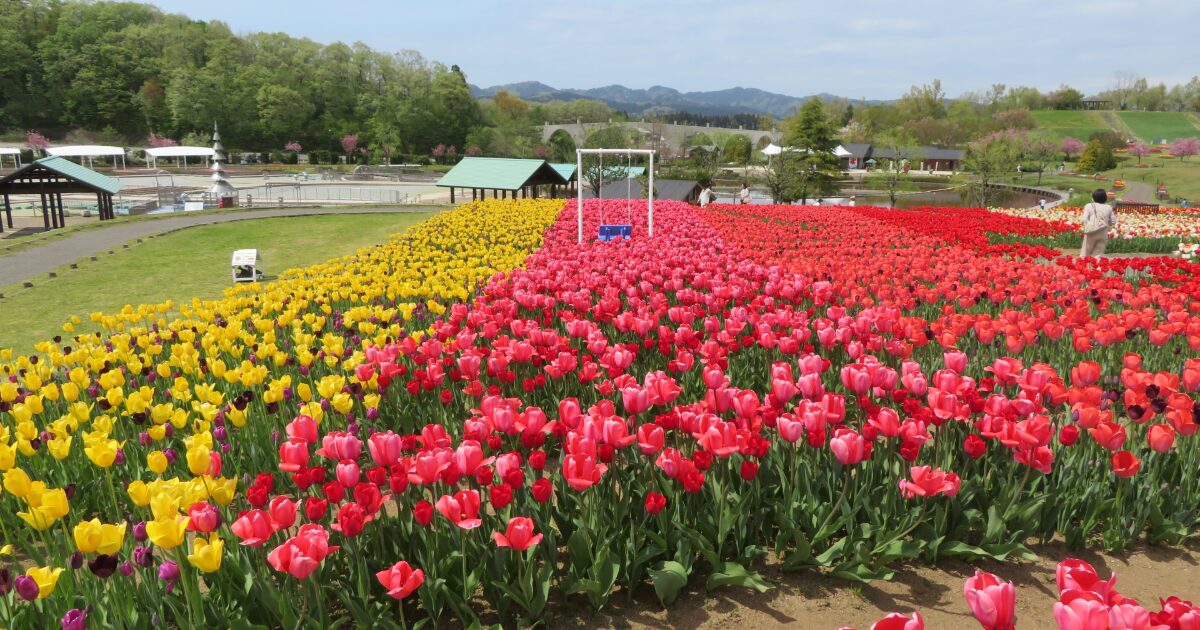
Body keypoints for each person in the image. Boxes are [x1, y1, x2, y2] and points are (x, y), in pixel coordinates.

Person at [1080, 188, 1117, 258]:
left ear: (1093, 197)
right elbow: (1113, 221)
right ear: (1105, 198)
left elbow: (1084, 219)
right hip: (1103, 233)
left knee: (1085, 254)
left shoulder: (1089, 206)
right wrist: (1104, 224)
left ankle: (1083, 265)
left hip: (1091, 232)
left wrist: (1088, 225)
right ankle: (1097, 264)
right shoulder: (1108, 207)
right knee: (1098, 255)